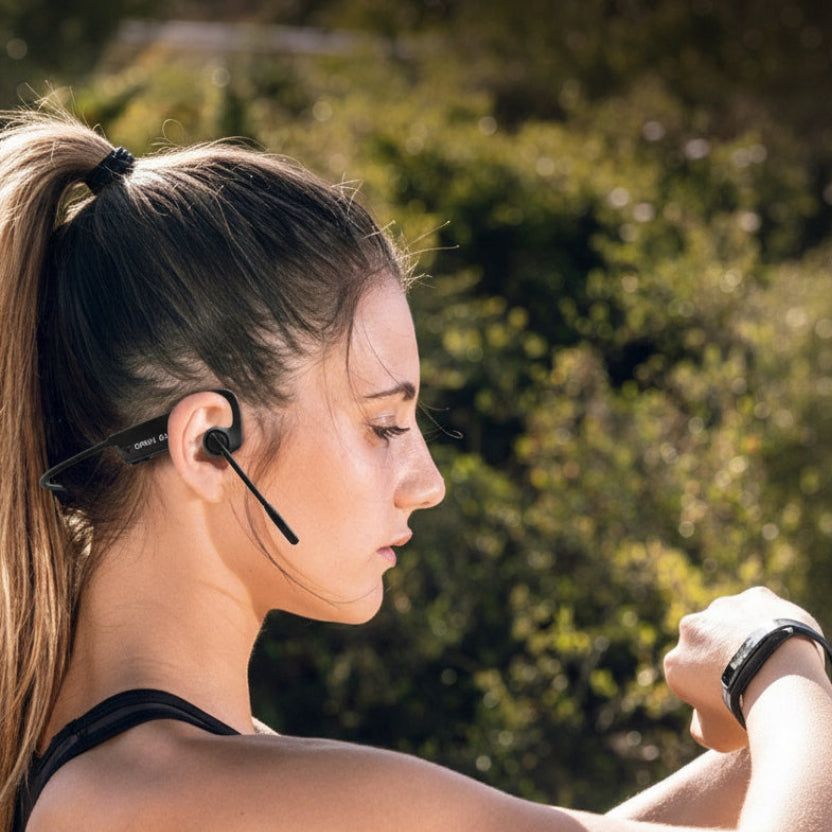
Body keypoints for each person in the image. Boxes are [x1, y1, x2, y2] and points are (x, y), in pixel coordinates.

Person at [0, 108, 831, 832]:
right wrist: (778, 663)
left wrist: (786, 746)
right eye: (384, 424)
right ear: (209, 444)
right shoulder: (193, 796)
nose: (428, 481)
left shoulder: (157, 778)